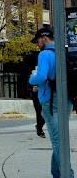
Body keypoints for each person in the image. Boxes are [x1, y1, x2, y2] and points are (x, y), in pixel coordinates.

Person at [29, 27, 74, 178]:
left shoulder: (45, 54)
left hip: (51, 101)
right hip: (67, 100)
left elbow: (41, 77)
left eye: (37, 41)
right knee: (59, 139)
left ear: (44, 38)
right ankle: (56, 174)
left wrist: (31, 78)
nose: (37, 44)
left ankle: (68, 175)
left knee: (57, 141)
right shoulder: (63, 52)